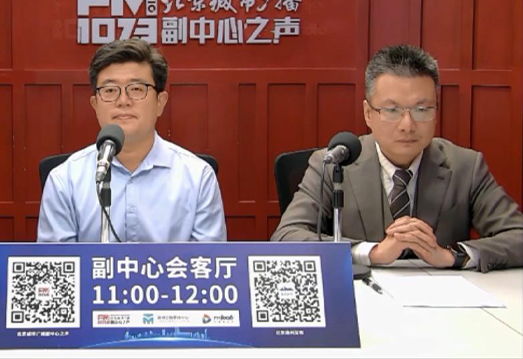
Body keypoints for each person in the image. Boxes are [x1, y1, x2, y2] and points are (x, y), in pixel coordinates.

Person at [272, 44, 523, 272]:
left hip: (442, 301)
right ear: (368, 113)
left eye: (421, 109)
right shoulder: (333, 164)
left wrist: (452, 256)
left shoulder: (466, 166)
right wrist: (371, 252)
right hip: (361, 297)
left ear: (436, 111)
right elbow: (286, 236)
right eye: (392, 110)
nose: (407, 125)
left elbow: (517, 235)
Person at [37, 38, 227, 242]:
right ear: (95, 105)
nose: (123, 101)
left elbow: (209, 260)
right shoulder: (65, 180)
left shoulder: (198, 177)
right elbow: (58, 260)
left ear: (160, 102)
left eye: (136, 89)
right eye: (110, 90)